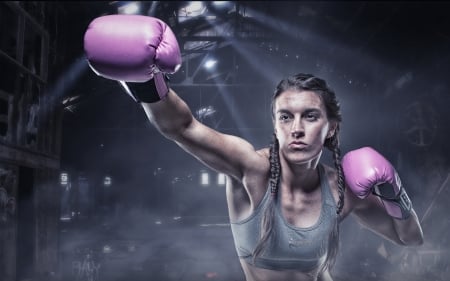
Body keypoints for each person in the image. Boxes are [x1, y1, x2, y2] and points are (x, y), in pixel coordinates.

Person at [83, 14, 424, 281]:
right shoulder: (252, 168)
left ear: (331, 127)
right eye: (285, 117)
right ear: (274, 125)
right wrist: (147, 84)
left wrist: (394, 191)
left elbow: (409, 238)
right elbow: (182, 127)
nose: (297, 129)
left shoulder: (344, 191)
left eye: (310, 116)